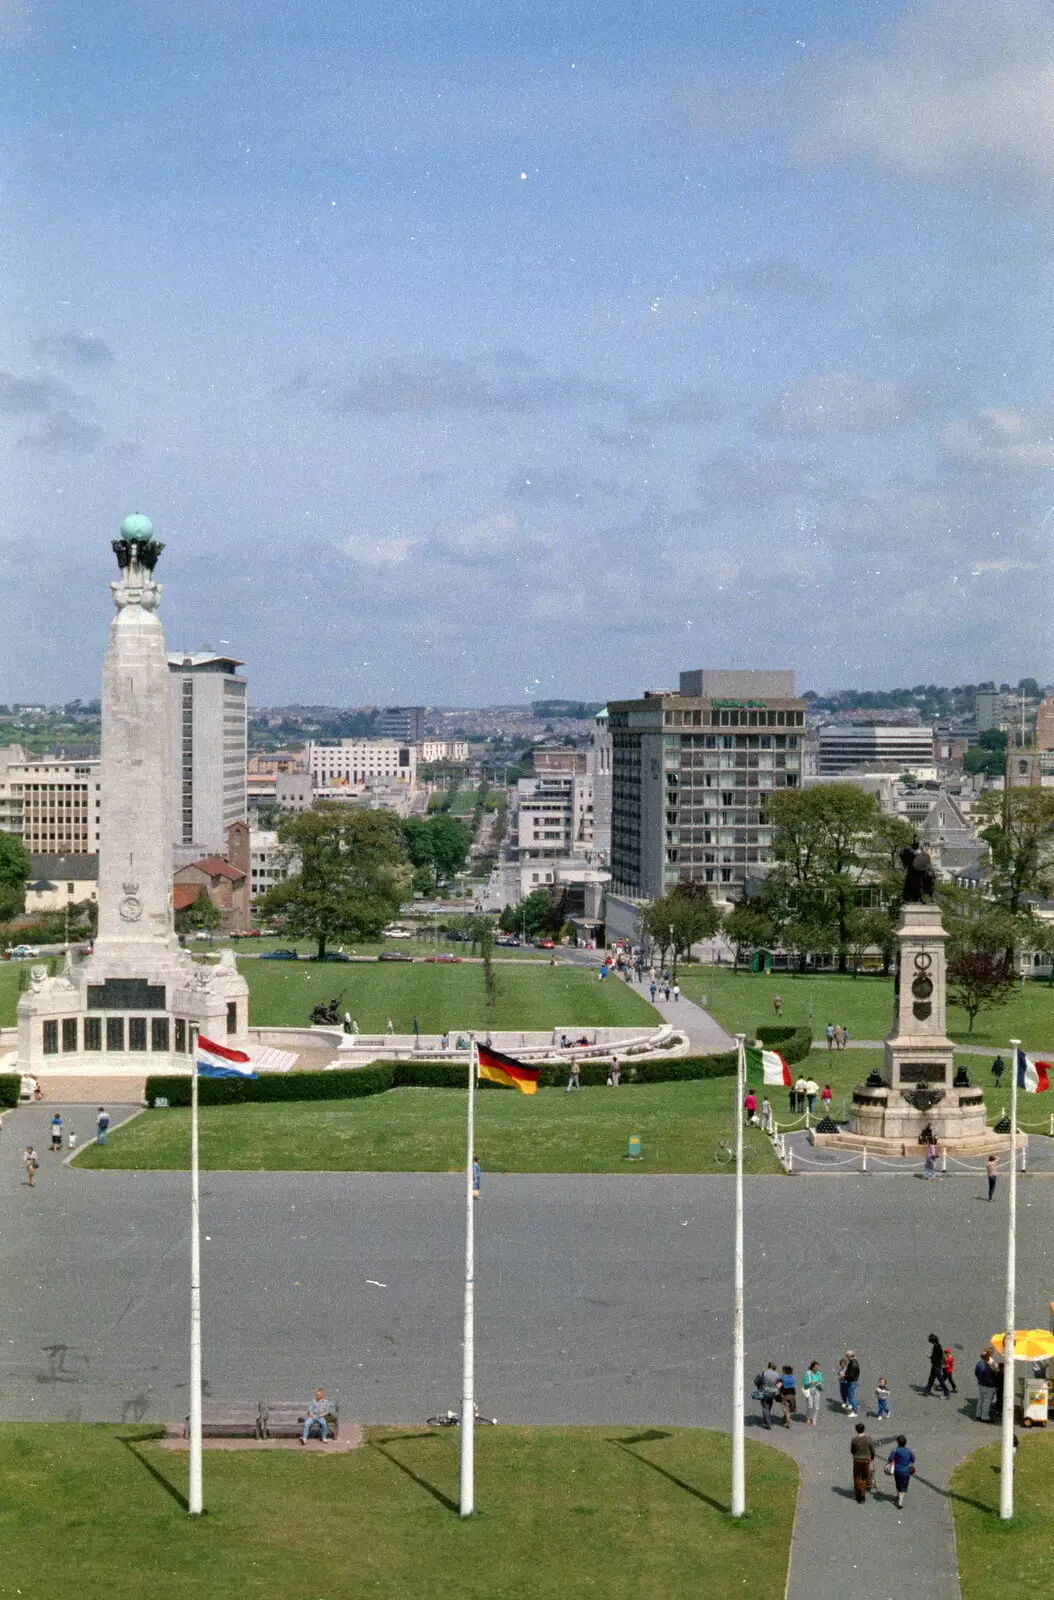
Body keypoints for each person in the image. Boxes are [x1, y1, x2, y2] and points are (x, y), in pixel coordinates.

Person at [886, 1435, 915, 1509]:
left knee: (898, 1483)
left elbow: (890, 1459)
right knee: (904, 1486)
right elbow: (913, 1459)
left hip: (897, 1471)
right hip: (906, 1472)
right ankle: (900, 1502)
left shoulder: (895, 1450)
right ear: (905, 1442)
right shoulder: (908, 1450)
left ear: (897, 1442)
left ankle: (898, 1495)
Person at [850, 1422, 876, 1503]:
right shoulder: (868, 1438)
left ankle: (858, 1493)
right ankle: (862, 1492)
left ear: (856, 1430)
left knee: (857, 1477)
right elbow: (872, 1449)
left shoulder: (854, 1439)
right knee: (865, 1477)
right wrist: (872, 1457)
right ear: (864, 1429)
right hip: (866, 1460)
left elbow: (852, 1451)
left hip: (857, 1460)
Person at [975, 1350, 997, 1421]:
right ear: (986, 1358)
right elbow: (988, 1378)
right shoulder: (986, 1366)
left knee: (981, 1400)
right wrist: (991, 1384)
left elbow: (976, 1373)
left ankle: (978, 1414)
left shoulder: (979, 1363)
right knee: (987, 1402)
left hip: (980, 1384)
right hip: (987, 1386)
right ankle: (985, 1417)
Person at [759, 1361, 781, 1429]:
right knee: (769, 1405)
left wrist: (760, 1385)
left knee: (765, 1407)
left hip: (764, 1392)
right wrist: (777, 1387)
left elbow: (756, 1381)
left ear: (768, 1366)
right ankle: (767, 1417)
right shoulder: (777, 1374)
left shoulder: (763, 1373)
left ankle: (768, 1423)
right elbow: (780, 1383)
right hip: (772, 1394)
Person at [802, 1361, 823, 1425]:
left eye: (818, 1367)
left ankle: (814, 1419)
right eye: (816, 1367)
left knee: (816, 1407)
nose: (817, 1369)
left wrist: (818, 1383)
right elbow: (804, 1383)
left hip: (816, 1390)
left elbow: (821, 1381)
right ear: (812, 1367)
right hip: (809, 1390)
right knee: (810, 1406)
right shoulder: (808, 1373)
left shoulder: (819, 1374)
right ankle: (808, 1418)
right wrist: (810, 1383)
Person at [844, 1351, 860, 1416]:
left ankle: (855, 1411)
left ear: (849, 1356)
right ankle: (856, 1405)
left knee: (851, 1397)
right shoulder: (853, 1362)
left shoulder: (853, 1364)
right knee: (852, 1395)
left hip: (852, 1381)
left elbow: (851, 1375)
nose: (846, 1357)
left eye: (847, 1356)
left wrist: (844, 1376)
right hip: (853, 1381)